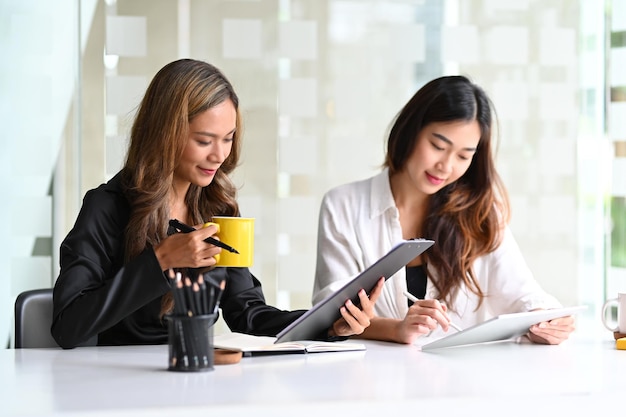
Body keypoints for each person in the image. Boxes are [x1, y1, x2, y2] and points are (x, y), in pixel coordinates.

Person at [51, 58, 383, 349]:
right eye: (204, 141)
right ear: (165, 134)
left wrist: (330, 325)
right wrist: (161, 260)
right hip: (110, 387)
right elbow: (68, 327)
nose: (220, 155)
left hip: (196, 379)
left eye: (228, 139)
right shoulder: (107, 207)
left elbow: (248, 314)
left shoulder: (219, 209)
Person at [312, 75, 575, 345]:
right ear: (410, 131)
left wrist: (545, 321)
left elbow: (523, 294)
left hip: (460, 380)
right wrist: (397, 329)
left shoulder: (481, 213)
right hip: (371, 379)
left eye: (463, 156)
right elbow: (331, 314)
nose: (446, 166)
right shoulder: (343, 205)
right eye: (438, 146)